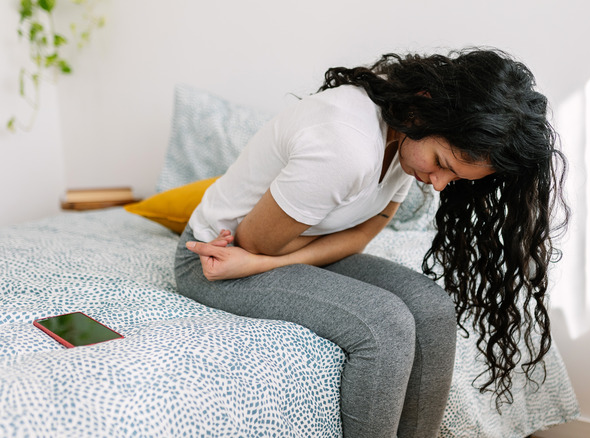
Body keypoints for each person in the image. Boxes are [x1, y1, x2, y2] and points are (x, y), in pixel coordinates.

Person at [174, 48, 569, 438]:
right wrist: (259, 261)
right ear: (426, 109)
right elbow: (256, 244)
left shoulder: (403, 129)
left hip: (267, 256)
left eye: (455, 179)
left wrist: (260, 265)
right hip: (216, 261)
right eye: (443, 164)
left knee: (432, 308)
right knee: (385, 324)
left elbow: (362, 235)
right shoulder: (346, 145)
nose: (438, 184)